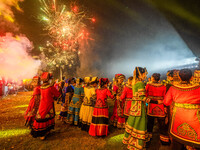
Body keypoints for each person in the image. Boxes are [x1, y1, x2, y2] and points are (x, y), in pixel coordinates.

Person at [164, 69, 200, 150]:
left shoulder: (173, 88)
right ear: (192, 78)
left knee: (177, 144)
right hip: (194, 122)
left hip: (178, 122)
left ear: (179, 78)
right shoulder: (198, 88)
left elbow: (166, 102)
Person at [123, 67, 150, 149]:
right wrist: (154, 101)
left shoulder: (134, 83)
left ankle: (130, 140)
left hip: (134, 105)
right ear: (141, 74)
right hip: (139, 107)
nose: (145, 75)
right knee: (139, 124)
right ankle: (137, 144)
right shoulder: (140, 83)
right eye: (144, 73)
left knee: (133, 123)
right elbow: (142, 97)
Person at [31, 72, 61, 140]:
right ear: (48, 79)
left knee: (41, 117)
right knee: (48, 116)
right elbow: (58, 95)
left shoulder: (41, 87)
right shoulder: (50, 87)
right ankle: (45, 132)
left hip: (42, 105)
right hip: (48, 104)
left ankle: (43, 133)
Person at [146, 73, 170, 146]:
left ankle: (148, 139)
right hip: (161, 107)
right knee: (162, 124)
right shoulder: (163, 86)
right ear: (159, 79)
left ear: (153, 78)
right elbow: (165, 97)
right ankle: (164, 141)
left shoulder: (148, 85)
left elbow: (146, 96)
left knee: (150, 124)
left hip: (151, 108)